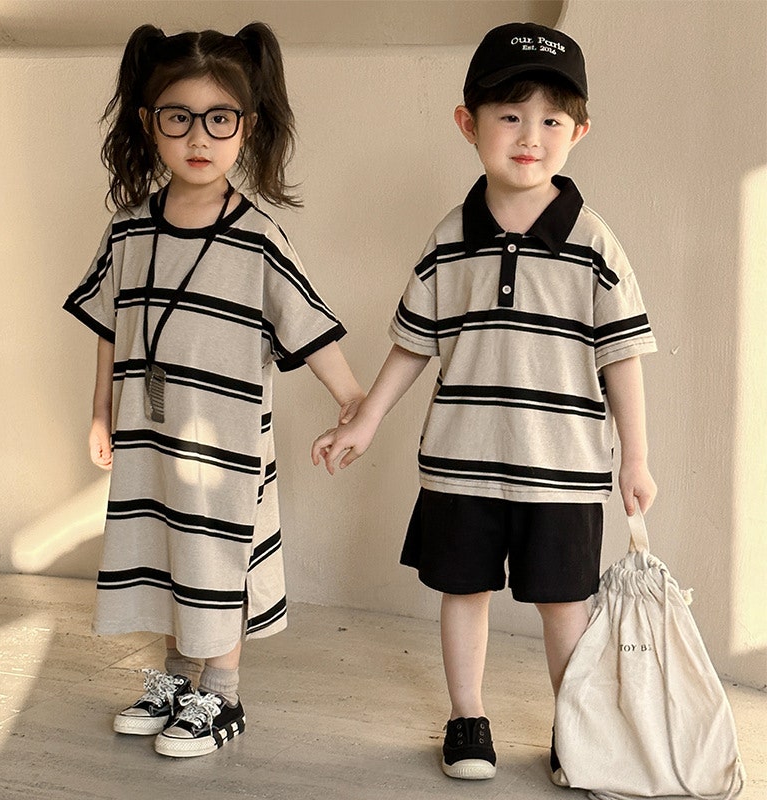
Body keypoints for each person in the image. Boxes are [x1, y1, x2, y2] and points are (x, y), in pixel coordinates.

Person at [312, 22, 657, 782]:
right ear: (468, 124)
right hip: (460, 464)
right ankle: (467, 718)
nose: (530, 136)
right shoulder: (448, 240)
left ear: (579, 132)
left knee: (565, 607)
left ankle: (575, 730)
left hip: (562, 472)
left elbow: (622, 355)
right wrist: (366, 418)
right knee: (462, 591)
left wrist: (635, 458)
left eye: (552, 119)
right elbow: (414, 343)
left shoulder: (595, 243)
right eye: (509, 115)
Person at [64, 23, 363, 759]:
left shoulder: (259, 238)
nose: (199, 137)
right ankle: (175, 679)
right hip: (150, 435)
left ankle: (221, 692)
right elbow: (108, 326)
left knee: (215, 557)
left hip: (226, 447)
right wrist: (99, 414)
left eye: (219, 119)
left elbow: (308, 326)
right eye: (179, 117)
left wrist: (354, 403)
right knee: (167, 548)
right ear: (150, 124)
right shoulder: (128, 232)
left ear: (246, 127)